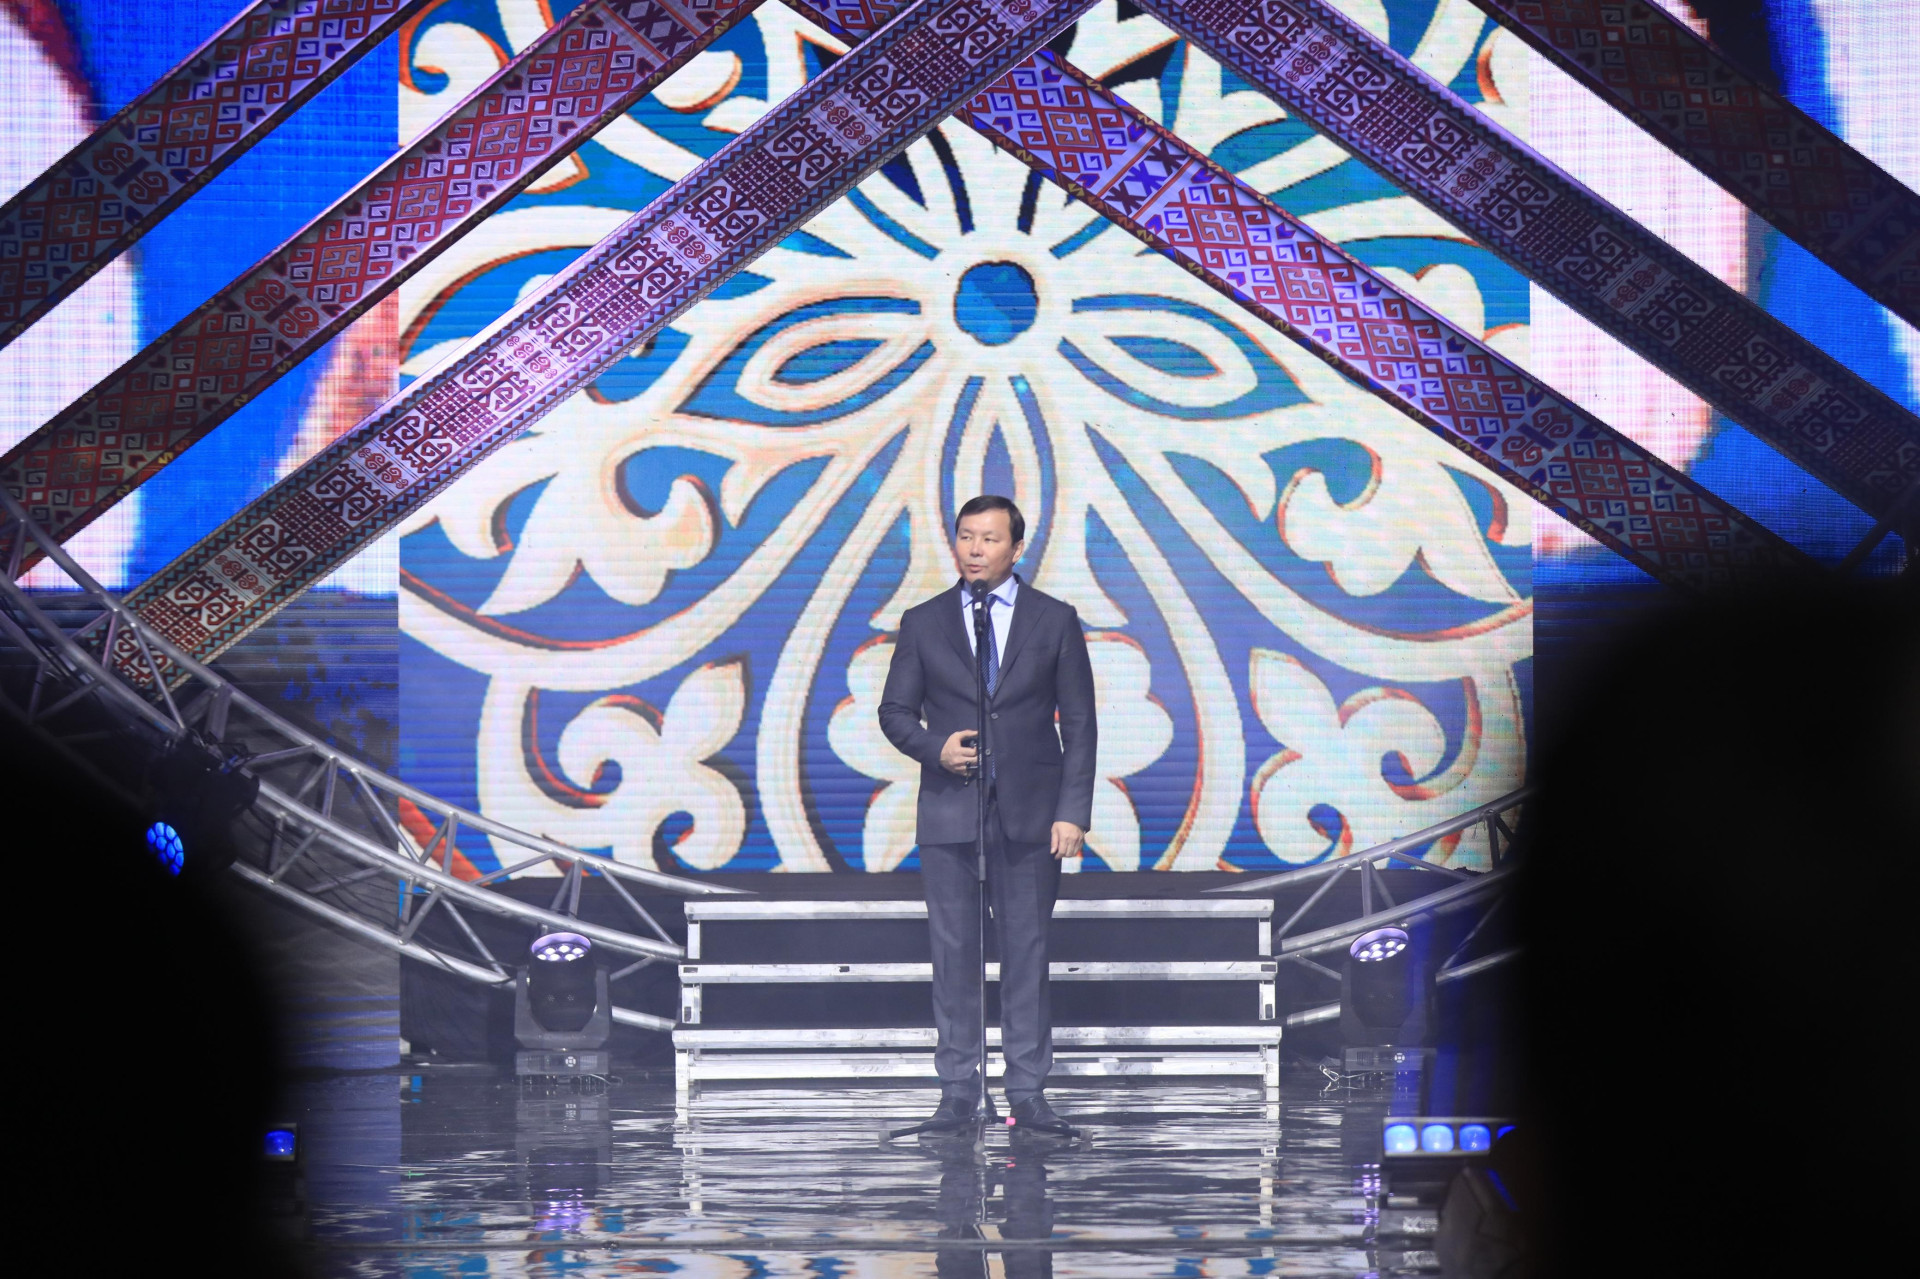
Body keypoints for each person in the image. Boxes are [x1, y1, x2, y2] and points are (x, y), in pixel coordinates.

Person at [879, 494, 1096, 1136]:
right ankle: (957, 1092)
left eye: (989, 539)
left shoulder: (1054, 619)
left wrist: (1072, 812)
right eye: (966, 537)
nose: (975, 550)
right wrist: (936, 749)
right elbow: (895, 712)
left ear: (1016, 547)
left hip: (1032, 815)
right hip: (951, 814)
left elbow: (1079, 722)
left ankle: (1027, 1092)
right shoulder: (924, 621)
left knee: (1027, 954)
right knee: (954, 957)